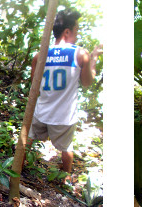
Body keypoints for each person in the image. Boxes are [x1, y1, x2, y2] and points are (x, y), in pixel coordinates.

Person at [28, 9, 101, 174]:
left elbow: (35, 85)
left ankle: (19, 167)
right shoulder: (80, 53)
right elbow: (87, 82)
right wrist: (94, 58)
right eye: (76, 30)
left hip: (41, 112)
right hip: (63, 117)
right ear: (67, 31)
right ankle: (66, 177)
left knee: (29, 140)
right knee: (67, 148)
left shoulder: (40, 55)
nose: (77, 33)